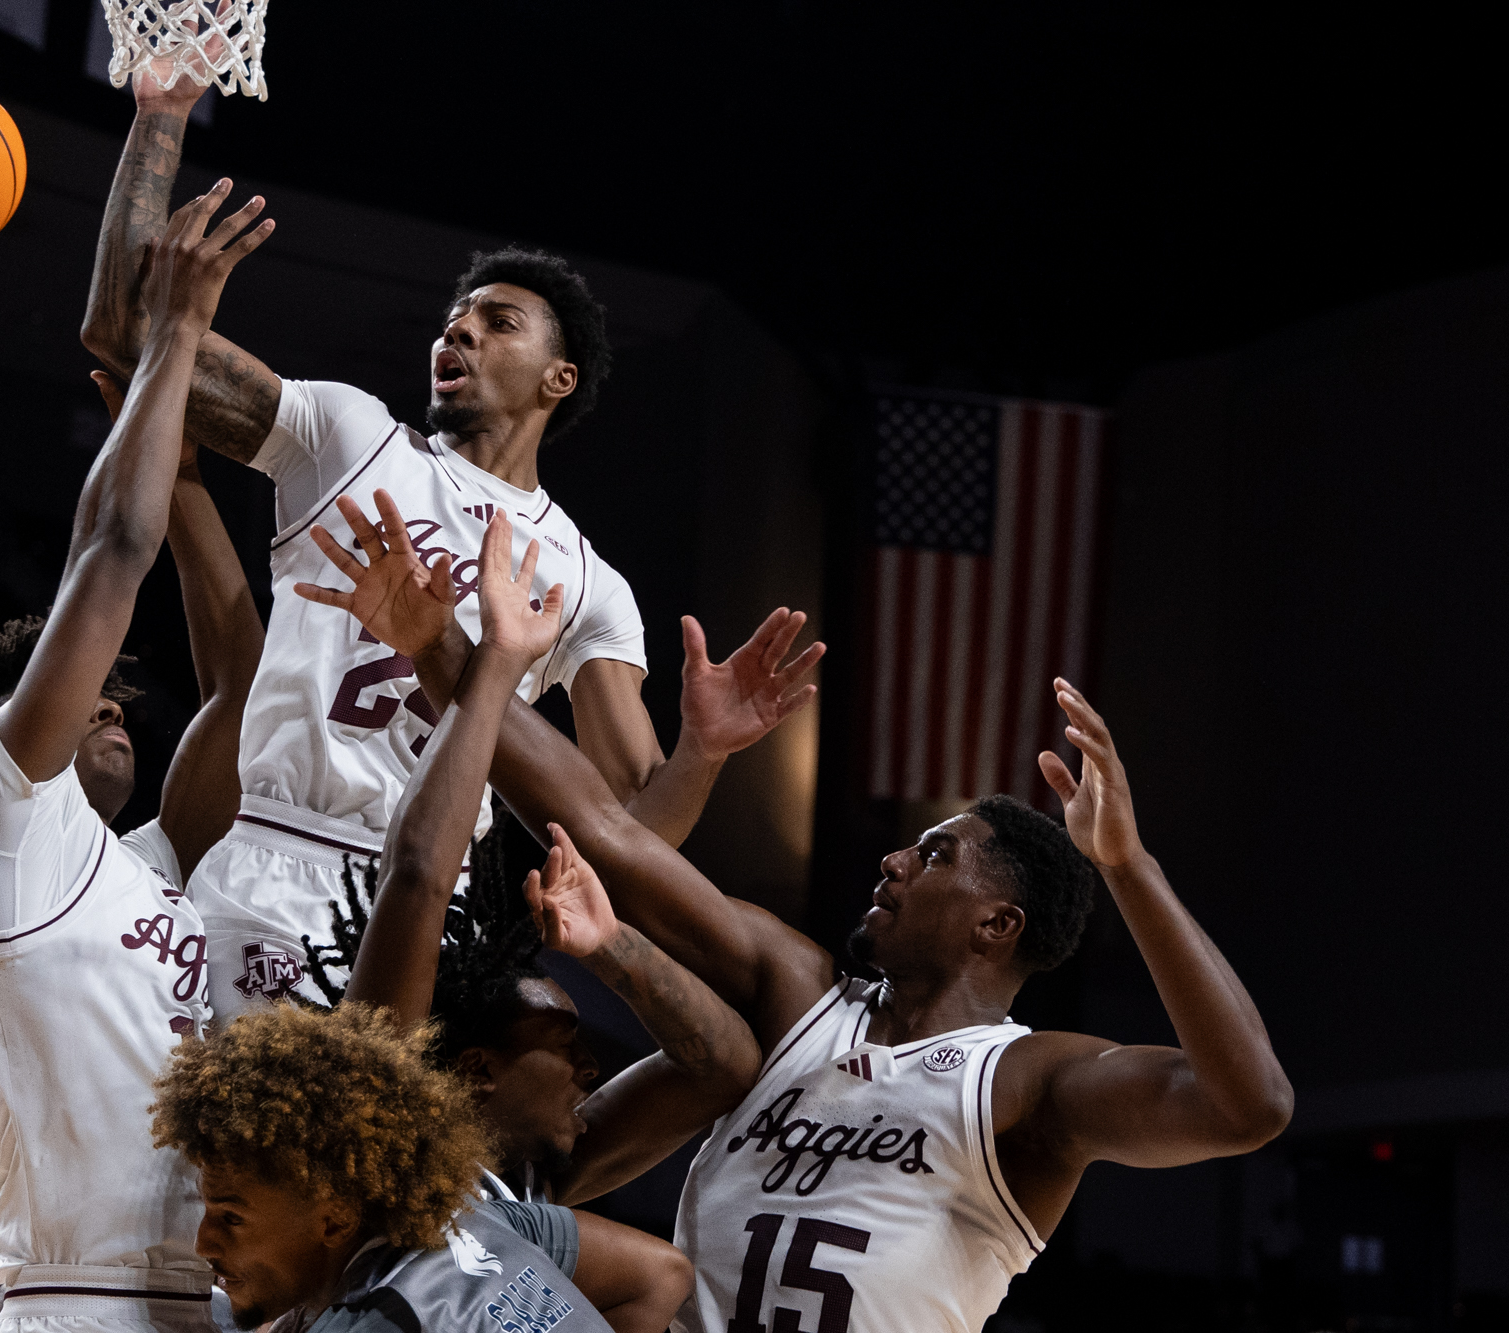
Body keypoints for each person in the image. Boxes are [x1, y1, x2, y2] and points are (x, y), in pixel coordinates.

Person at [293, 491, 1298, 1333]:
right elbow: (605, 826)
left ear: (998, 923)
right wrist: (441, 649)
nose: (896, 857)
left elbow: (1248, 1106)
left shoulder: (1026, 1081)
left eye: (935, 853)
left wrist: (1128, 865)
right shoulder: (799, 989)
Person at [78, 61, 823, 1020]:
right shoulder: (349, 435)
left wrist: (706, 750)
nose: (456, 334)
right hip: (270, 853)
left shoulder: (590, 583)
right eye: (451, 322)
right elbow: (125, 333)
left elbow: (630, 834)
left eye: (493, 323)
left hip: (425, 904)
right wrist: (162, 116)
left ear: (558, 379)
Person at [0, 179, 270, 1328]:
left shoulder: (153, 865)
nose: (115, 708)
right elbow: (106, 559)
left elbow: (239, 686)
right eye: (90, 700)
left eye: (121, 698)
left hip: (207, 1303)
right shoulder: (5, 826)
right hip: (73, 1302)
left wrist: (182, 492)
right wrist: (174, 338)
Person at [314, 504, 763, 1211]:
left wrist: (612, 945)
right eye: (559, 1044)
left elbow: (729, 1064)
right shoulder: (370, 1156)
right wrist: (481, 657)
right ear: (476, 1070)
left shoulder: (524, 1181)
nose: (591, 1068)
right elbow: (421, 877)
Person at [153, 1002, 615, 1333]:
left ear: (335, 1220)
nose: (203, 1243)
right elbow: (658, 1274)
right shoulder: (476, 1217)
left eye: (231, 1217)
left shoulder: (376, 1319)